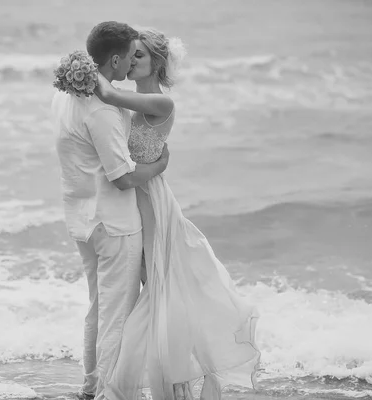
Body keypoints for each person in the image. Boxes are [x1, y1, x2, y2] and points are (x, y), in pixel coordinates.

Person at [94, 29, 261, 400]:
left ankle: (148, 384)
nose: (130, 60)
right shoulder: (129, 104)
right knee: (151, 290)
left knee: (158, 290)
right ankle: (171, 385)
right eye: (128, 55)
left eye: (137, 55)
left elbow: (104, 91)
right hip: (130, 198)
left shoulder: (161, 104)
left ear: (157, 62)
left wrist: (83, 69)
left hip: (149, 203)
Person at [51, 22, 170, 400]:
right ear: (115, 59)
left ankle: (91, 387)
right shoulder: (101, 109)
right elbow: (122, 177)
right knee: (116, 315)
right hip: (114, 224)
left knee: (97, 309)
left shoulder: (64, 97)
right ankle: (110, 395)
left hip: (81, 219)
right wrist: (157, 167)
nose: (131, 63)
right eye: (129, 56)